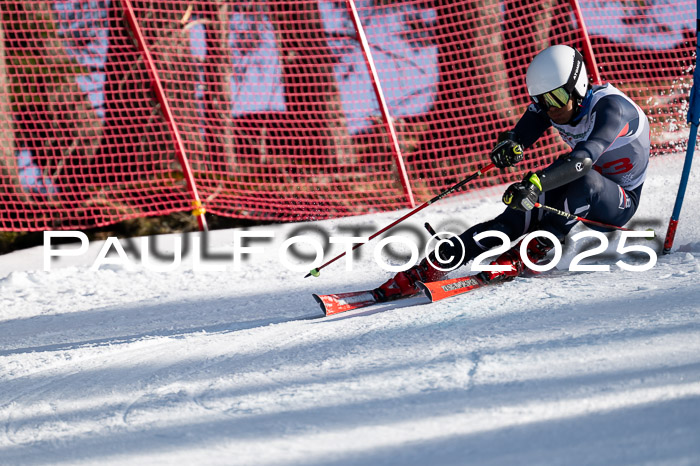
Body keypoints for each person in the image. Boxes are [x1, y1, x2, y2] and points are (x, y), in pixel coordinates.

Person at [375, 44, 650, 301]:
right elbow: (519, 135)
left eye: (556, 98)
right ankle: (436, 263)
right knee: (511, 220)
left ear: (577, 87)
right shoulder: (553, 106)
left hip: (616, 201)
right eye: (541, 101)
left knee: (577, 180)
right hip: (576, 181)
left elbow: (583, 161)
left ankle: (533, 248)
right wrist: (510, 146)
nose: (550, 108)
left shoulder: (611, 108)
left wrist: (536, 183)